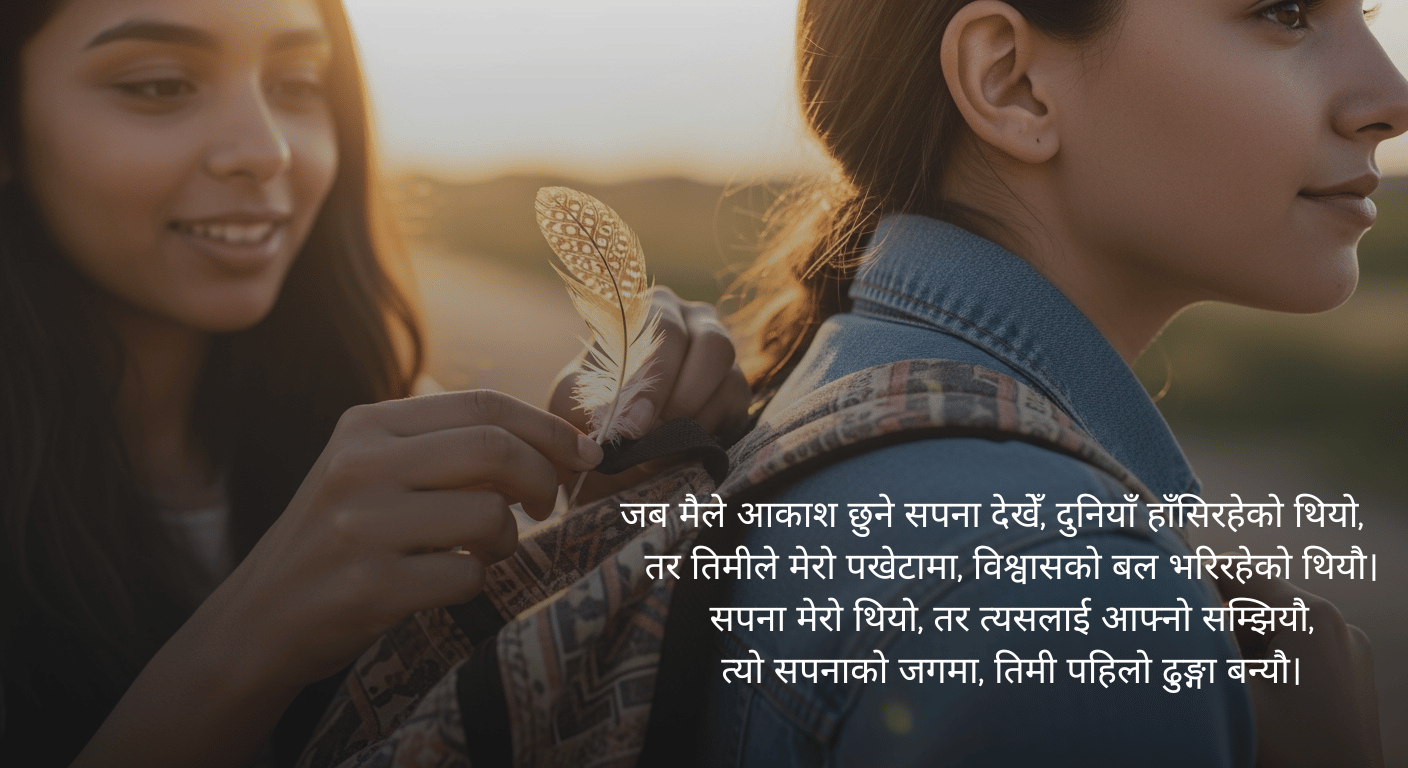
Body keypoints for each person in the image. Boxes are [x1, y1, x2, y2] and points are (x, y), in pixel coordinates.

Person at [0, 0, 749, 766]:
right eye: (161, 86)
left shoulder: (367, 422)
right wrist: (248, 644)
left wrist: (596, 517)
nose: (269, 149)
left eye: (296, 83)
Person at [697, 0, 1404, 764]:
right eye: (1285, 13)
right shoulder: (1065, 595)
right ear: (1011, 83)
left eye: (1365, 13)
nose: (1391, 98)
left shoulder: (827, 390)